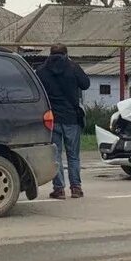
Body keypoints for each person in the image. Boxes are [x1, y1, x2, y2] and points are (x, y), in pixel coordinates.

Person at [37, 43, 90, 199]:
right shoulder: (73, 67)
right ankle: (76, 188)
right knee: (73, 155)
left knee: (56, 155)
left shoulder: (41, 71)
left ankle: (59, 189)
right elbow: (86, 84)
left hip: (52, 118)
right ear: (66, 54)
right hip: (72, 118)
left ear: (50, 54)